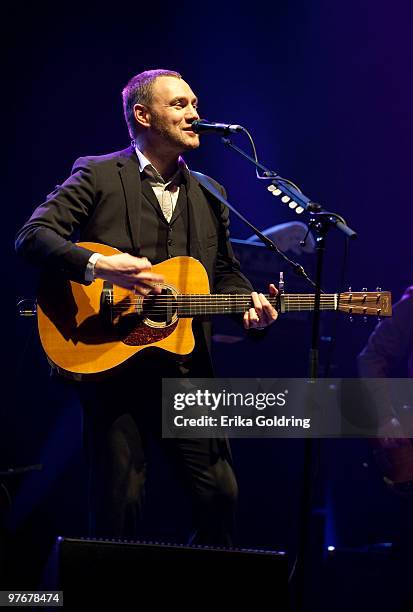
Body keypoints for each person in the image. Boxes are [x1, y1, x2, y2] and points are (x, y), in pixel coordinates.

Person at [15, 69, 278, 545]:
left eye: (195, 103)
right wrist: (101, 267)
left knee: (221, 495)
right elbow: (32, 238)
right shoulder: (98, 173)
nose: (194, 113)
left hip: (186, 366)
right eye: (179, 105)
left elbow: (226, 274)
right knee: (121, 503)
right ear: (143, 115)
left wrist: (252, 311)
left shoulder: (211, 192)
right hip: (113, 366)